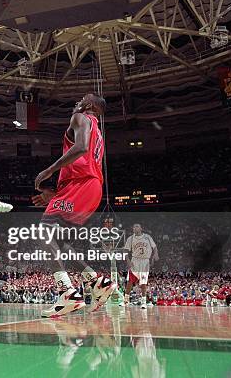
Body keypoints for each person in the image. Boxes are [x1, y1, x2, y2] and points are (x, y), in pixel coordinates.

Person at [32, 94, 115, 317]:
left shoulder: (80, 117)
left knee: (44, 233)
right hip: (88, 189)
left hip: (82, 185)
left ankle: (67, 293)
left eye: (82, 99)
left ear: (89, 105)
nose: (77, 101)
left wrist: (49, 170)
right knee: (62, 242)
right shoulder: (95, 126)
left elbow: (80, 148)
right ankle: (97, 282)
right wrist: (56, 194)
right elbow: (83, 161)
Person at [121, 224, 158, 309]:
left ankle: (143, 302)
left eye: (137, 226)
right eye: (134, 227)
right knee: (130, 281)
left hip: (145, 261)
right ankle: (125, 301)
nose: (135, 228)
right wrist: (128, 261)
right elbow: (125, 250)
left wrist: (155, 254)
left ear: (141, 228)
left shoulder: (147, 237)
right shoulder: (130, 238)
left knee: (143, 282)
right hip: (135, 260)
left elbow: (154, 247)